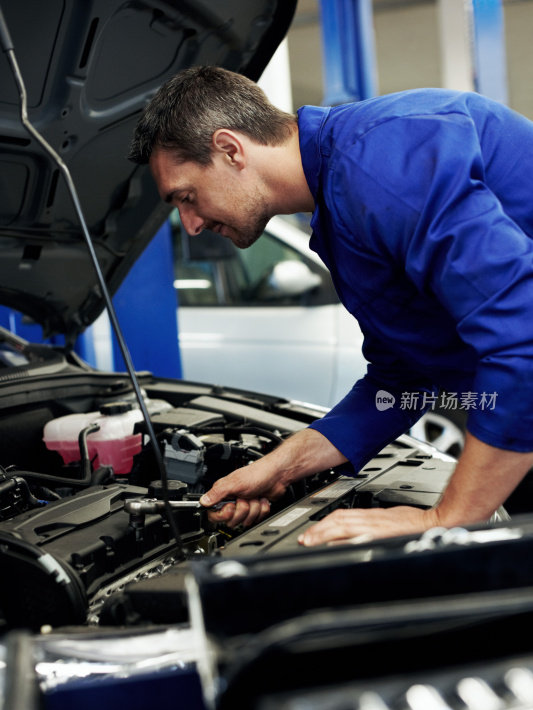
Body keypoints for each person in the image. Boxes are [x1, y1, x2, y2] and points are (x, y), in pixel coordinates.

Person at [129, 65, 533, 547]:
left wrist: (447, 518)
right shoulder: (341, 205)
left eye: (187, 197)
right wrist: (282, 465)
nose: (190, 224)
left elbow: (523, 339)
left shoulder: (382, 163)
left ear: (230, 149)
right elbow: (401, 379)